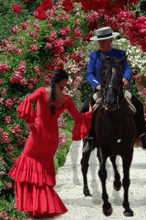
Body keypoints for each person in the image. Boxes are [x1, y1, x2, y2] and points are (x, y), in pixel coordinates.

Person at [8, 64, 92, 218]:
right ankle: (43, 208)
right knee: (43, 174)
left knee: (27, 169)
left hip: (38, 136)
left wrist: (30, 120)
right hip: (52, 140)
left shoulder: (41, 91)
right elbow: (79, 118)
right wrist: (90, 114)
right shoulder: (66, 99)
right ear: (64, 81)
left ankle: (32, 208)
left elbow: (26, 103)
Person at [80, 26, 146, 152]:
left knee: (138, 105)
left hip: (118, 90)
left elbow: (127, 69)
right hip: (101, 90)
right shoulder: (94, 56)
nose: (101, 44)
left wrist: (126, 78)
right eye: (100, 41)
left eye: (104, 41)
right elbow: (89, 74)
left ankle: (141, 135)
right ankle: (88, 138)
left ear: (110, 40)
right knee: (85, 107)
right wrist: (97, 84)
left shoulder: (120, 54)